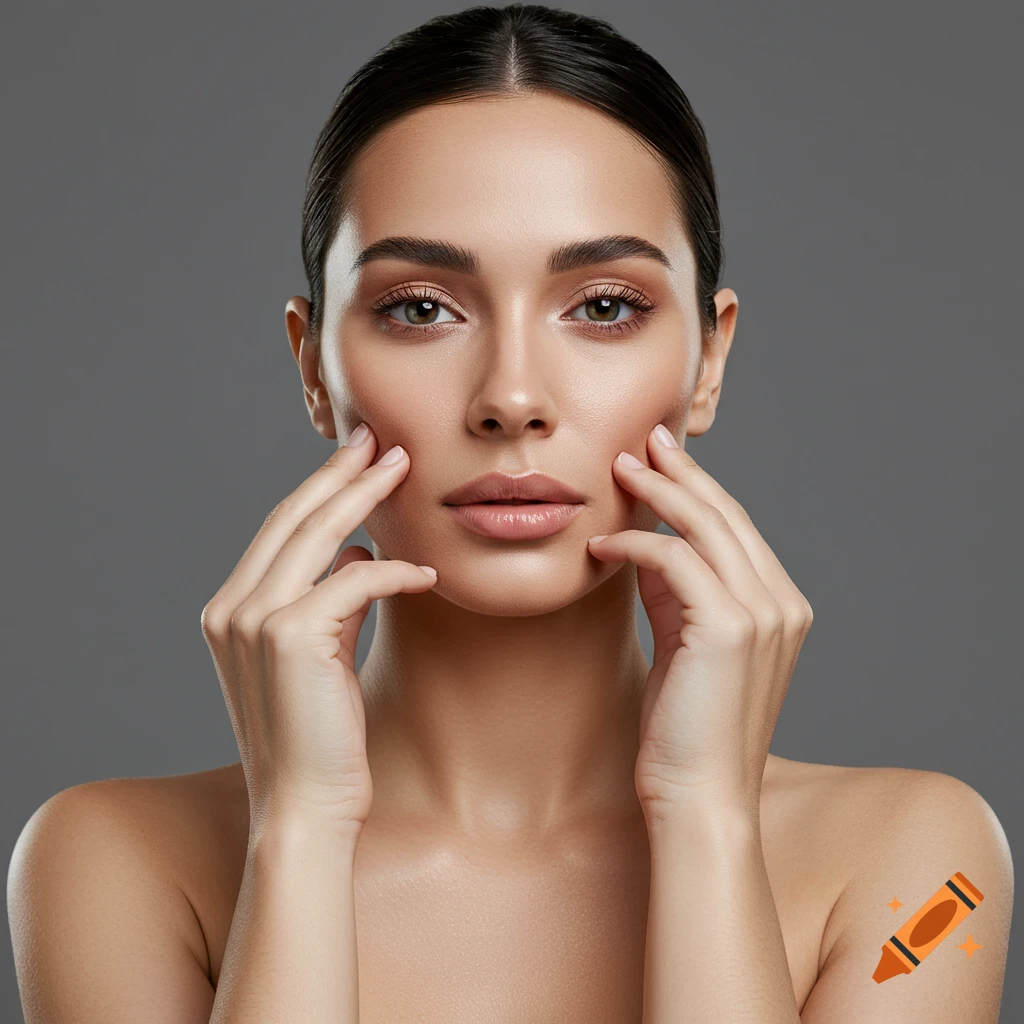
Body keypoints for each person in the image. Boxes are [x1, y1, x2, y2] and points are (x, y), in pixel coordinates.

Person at [7, 4, 1012, 1022]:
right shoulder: (112, 860)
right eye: (419, 307)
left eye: (604, 305)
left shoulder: (923, 875)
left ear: (708, 361)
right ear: (314, 368)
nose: (512, 396)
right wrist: (301, 829)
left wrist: (706, 820)